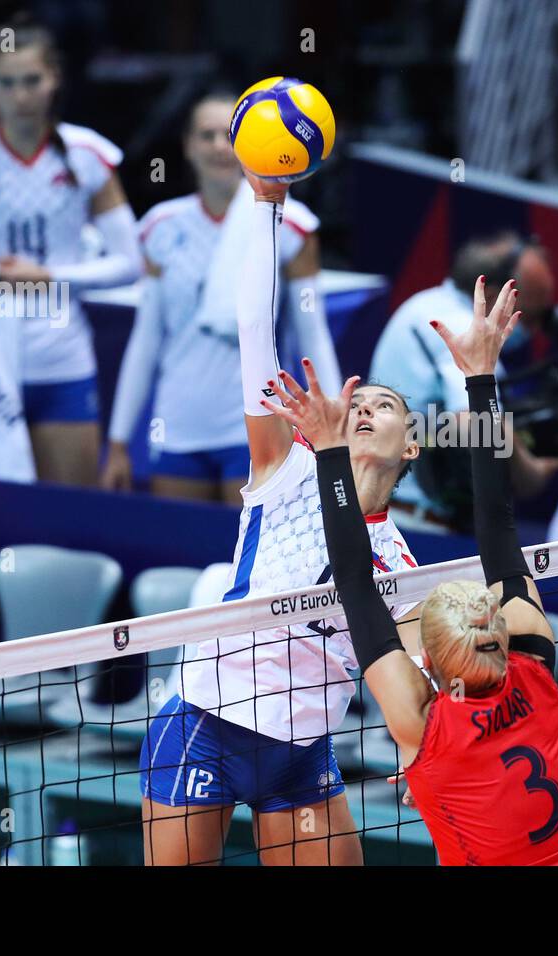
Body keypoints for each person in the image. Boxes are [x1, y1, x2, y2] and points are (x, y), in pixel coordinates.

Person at [267, 276, 558, 865]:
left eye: (382, 407)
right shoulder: (532, 668)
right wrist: (481, 378)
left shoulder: (429, 720)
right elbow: (495, 535)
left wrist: (329, 450)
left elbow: (358, 579)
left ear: (429, 658)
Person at [139, 172, 420, 867]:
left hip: (299, 754)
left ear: (411, 444)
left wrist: (421, 749)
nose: (364, 407)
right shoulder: (286, 466)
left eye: (383, 406)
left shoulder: (403, 567)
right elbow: (252, 327)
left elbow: (416, 676)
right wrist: (265, 208)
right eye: (357, 400)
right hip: (204, 721)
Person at [0, 17, 140, 485]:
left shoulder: (87, 154)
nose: (20, 96)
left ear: (55, 80)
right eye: (7, 83)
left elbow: (131, 262)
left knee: (69, 516)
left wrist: (54, 277)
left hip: (60, 354)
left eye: (32, 81)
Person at [101, 92, 327, 502]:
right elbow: (146, 340)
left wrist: (330, 424)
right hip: (178, 424)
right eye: (207, 136)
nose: (220, 147)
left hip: (258, 422)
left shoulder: (291, 225)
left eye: (229, 135)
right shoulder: (160, 227)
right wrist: (117, 441)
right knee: (182, 558)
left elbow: (314, 337)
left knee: (250, 558)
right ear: (188, 145)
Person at [368, 232, 558, 531]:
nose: (529, 329)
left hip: (393, 514)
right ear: (490, 295)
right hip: (421, 528)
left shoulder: (422, 303)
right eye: (524, 314)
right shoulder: (464, 328)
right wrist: (530, 471)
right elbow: (474, 419)